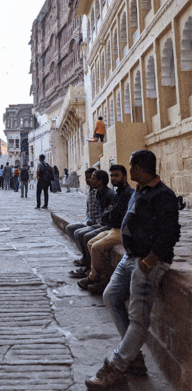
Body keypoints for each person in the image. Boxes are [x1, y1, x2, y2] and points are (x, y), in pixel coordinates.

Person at [86, 150, 182, 389]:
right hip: (130, 258)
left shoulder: (163, 195)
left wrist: (149, 261)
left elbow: (170, 233)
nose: (130, 170)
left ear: (140, 168)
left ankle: (117, 366)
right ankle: (135, 357)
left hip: (147, 262)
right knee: (111, 296)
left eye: (132, 166)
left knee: (138, 317)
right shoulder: (140, 191)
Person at [78, 165, 133, 295]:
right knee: (90, 243)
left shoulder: (127, 193)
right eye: (112, 175)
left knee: (96, 247)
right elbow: (108, 213)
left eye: (116, 175)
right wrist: (110, 213)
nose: (113, 178)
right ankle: (98, 274)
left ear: (124, 177)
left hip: (121, 230)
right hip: (113, 227)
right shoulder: (119, 192)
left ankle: (98, 278)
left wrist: (110, 213)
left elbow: (115, 214)